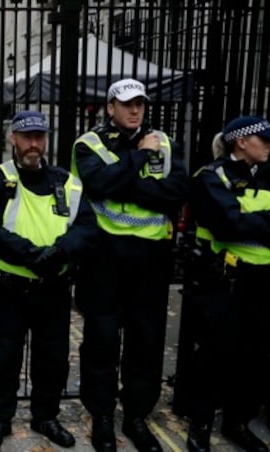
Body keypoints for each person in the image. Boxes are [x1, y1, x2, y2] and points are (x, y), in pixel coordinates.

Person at [70, 78, 189, 452]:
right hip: (104, 256)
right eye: (126, 104)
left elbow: (177, 192)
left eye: (139, 103)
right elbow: (97, 184)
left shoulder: (165, 143)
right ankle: (102, 416)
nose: (134, 110)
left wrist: (124, 182)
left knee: (146, 340)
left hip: (151, 258)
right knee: (102, 339)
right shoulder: (89, 144)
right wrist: (137, 159)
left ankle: (137, 416)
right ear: (110, 108)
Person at [0, 110, 98, 450]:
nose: (34, 144)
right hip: (9, 289)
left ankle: (46, 416)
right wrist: (36, 256)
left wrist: (56, 255)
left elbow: (87, 226)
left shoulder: (67, 182)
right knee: (3, 357)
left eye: (39, 137)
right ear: (13, 139)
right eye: (27, 136)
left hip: (53, 290)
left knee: (53, 357)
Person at [184, 116, 270, 452]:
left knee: (253, 357)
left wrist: (257, 223)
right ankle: (199, 426)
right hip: (226, 280)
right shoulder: (211, 177)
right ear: (241, 142)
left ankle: (236, 423)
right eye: (265, 139)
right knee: (214, 357)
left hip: (266, 281)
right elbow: (227, 225)